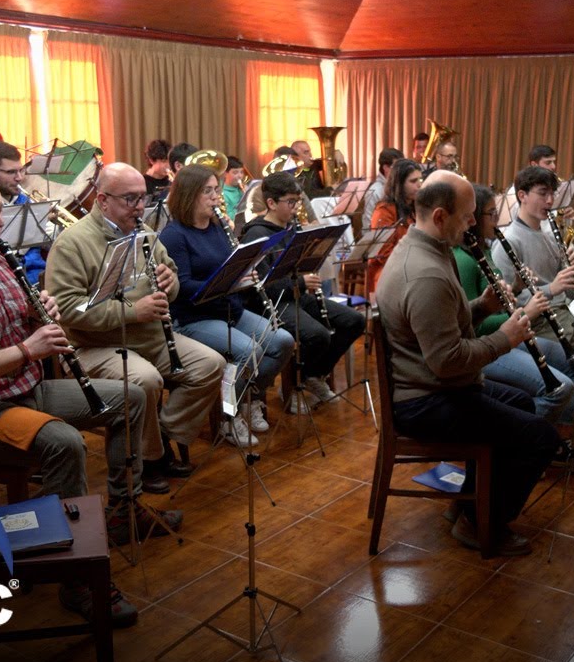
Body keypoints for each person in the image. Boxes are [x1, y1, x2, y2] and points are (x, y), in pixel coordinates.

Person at [0, 166, 169, 627]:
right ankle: (75, 578)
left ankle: (124, 508)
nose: (0, 223)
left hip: (23, 390)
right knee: (64, 443)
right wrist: (28, 348)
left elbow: (20, 320)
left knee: (130, 394)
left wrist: (42, 310)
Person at [376, 170, 560, 556]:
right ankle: (480, 524)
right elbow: (448, 361)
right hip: (425, 400)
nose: (475, 223)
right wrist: (504, 338)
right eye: (467, 216)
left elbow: (444, 326)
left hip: (434, 385)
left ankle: (468, 502)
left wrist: (482, 306)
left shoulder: (427, 249)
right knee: (540, 437)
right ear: (440, 217)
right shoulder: (425, 274)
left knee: (523, 404)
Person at [44, 162, 224, 494]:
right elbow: (68, 310)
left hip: (149, 337)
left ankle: (163, 435)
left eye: (142, 198)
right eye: (130, 199)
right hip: (95, 345)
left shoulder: (145, 232)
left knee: (210, 365)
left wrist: (170, 285)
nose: (140, 207)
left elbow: (170, 280)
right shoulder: (73, 243)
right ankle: (152, 458)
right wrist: (132, 311)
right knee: (145, 380)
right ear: (102, 200)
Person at [454, 183, 574, 468]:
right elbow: (472, 326)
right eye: (491, 214)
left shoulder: (481, 251)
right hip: (488, 347)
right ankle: (522, 441)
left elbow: (496, 301)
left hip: (508, 336)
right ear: (470, 218)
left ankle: (558, 441)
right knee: (560, 387)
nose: (497, 220)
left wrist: (519, 286)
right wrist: (524, 313)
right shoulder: (463, 260)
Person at [158, 164, 295, 444]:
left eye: (216, 190)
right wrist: (227, 283)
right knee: (249, 351)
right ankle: (228, 417)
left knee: (282, 341)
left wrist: (244, 273)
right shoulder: (174, 235)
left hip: (228, 308)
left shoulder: (218, 225)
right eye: (207, 191)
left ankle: (247, 398)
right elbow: (181, 287)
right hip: (193, 318)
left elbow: (230, 267)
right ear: (187, 195)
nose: (215, 197)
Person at [240, 172, 365, 409]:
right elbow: (262, 286)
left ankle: (311, 376)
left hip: (297, 297)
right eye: (291, 202)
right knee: (317, 335)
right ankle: (293, 386)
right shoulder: (256, 234)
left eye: (297, 201)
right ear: (271, 203)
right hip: (271, 304)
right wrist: (301, 283)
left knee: (353, 320)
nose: (296, 208)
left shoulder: (292, 228)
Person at [0, 140, 45, 284]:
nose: (19, 178)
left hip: (38, 277)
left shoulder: (26, 200)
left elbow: (45, 244)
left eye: (21, 170)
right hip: (4, 282)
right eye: (11, 172)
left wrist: (48, 223)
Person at [367, 158, 422, 294]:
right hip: (389, 275)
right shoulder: (384, 210)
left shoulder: (416, 207)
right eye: (413, 181)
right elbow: (383, 254)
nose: (419, 185)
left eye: (420, 180)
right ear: (399, 184)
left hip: (412, 269)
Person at [361, 147, 403, 230]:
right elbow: (368, 224)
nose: (400, 171)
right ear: (385, 168)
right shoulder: (375, 191)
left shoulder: (400, 186)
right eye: (396, 168)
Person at [222, 155, 244, 220]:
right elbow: (229, 217)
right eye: (235, 172)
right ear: (225, 174)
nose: (240, 176)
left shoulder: (242, 189)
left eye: (241, 172)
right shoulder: (223, 194)